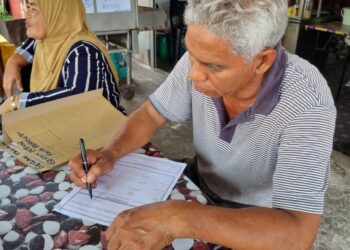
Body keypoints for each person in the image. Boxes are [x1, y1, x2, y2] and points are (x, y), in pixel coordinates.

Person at [69, 0, 336, 249]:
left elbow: (299, 231)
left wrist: (178, 218)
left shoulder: (308, 104)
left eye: (214, 66)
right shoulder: (201, 57)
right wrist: (110, 153)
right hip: (200, 183)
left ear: (262, 61)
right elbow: (152, 114)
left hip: (257, 218)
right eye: (191, 55)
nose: (194, 74)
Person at [0, 0, 125, 114]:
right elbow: (26, 50)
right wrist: (13, 62)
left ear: (59, 15)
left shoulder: (84, 50)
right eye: (27, 7)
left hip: (102, 131)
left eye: (35, 9)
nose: (27, 14)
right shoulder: (44, 41)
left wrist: (17, 102)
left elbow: (78, 99)